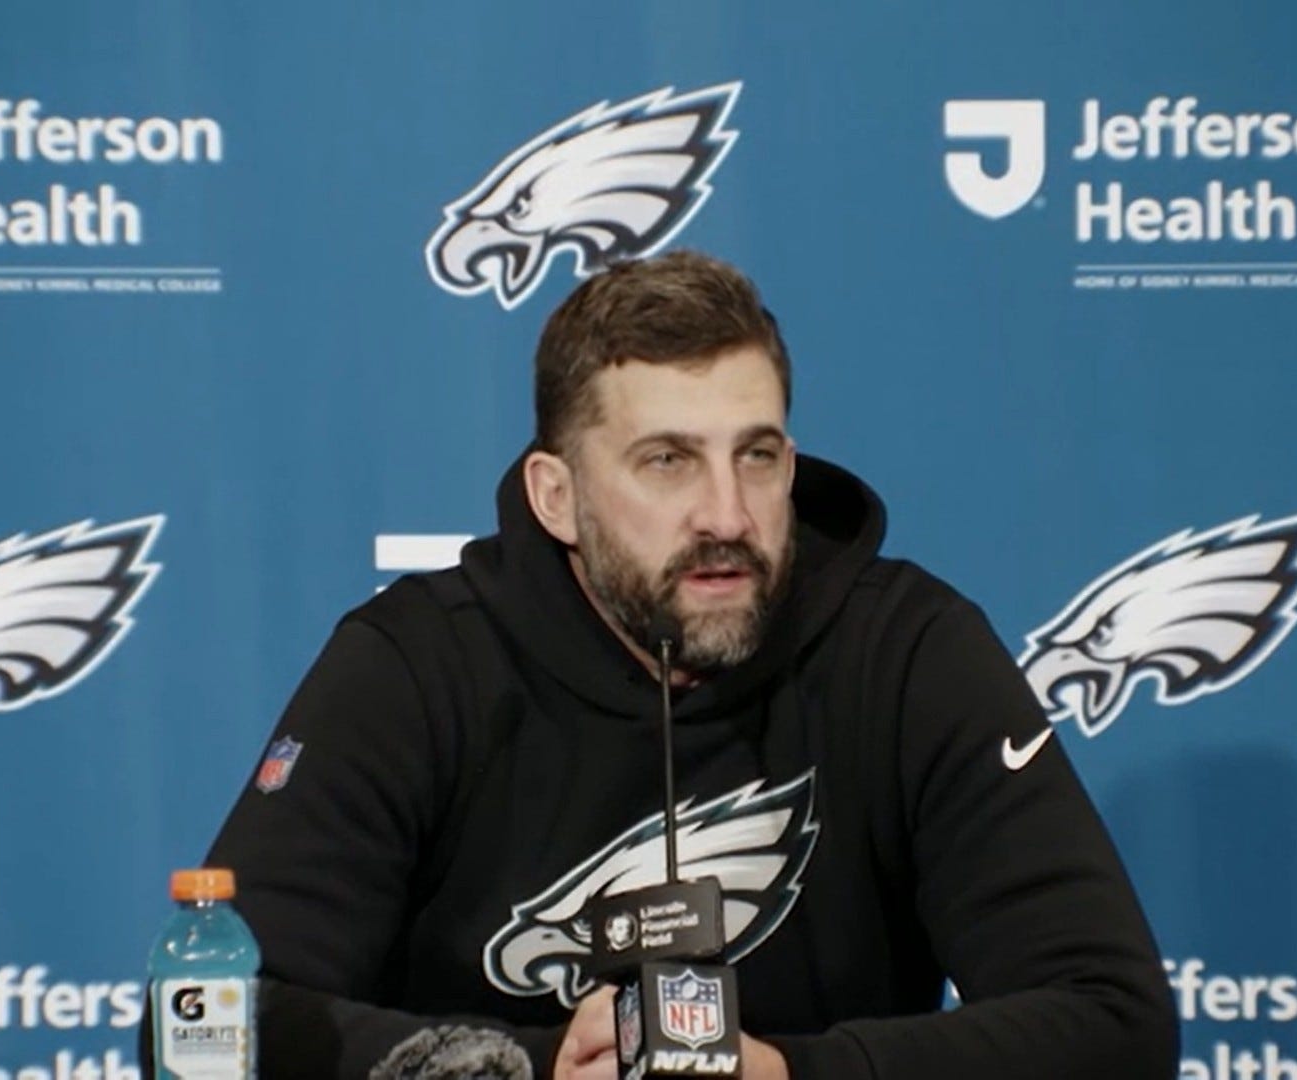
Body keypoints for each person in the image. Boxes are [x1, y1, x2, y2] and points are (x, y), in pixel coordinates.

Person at [161, 251, 1177, 1078]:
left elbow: (1114, 1023)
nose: (726, 516)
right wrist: (532, 1069)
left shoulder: (908, 652)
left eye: (757, 456)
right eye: (667, 461)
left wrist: (789, 1077)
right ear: (557, 497)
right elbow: (205, 1025)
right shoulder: (415, 666)